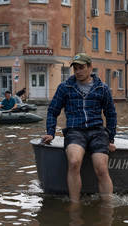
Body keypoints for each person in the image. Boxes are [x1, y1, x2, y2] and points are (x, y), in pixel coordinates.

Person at [41, 53, 117, 203]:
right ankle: (75, 205)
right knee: (74, 162)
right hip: (75, 131)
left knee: (101, 168)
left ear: (90, 68)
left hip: (97, 132)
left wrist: (111, 138)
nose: (77, 71)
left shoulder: (102, 88)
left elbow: (111, 114)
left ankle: (108, 207)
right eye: (75, 68)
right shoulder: (65, 87)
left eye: (81, 68)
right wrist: (50, 133)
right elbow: (53, 111)